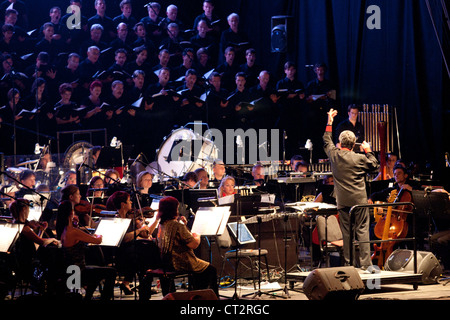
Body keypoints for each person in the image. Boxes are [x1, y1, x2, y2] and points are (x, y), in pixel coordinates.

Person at [324, 108, 379, 271]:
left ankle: (348, 264)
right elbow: (375, 165)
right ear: (354, 143)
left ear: (340, 143)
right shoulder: (360, 158)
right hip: (359, 201)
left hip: (343, 202)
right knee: (362, 231)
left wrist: (329, 122)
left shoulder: (334, 155)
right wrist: (368, 150)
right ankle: (365, 265)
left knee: (346, 233)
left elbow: (327, 140)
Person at [156, 196, 219, 296]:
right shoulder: (177, 225)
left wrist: (184, 226)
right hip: (181, 261)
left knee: (204, 268)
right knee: (210, 269)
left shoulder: (162, 224)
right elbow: (194, 244)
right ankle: (202, 296)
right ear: (173, 210)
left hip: (167, 262)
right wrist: (198, 235)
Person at [56, 199, 116, 300]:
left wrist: (75, 224)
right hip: (79, 271)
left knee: (97, 271)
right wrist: (99, 234)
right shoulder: (74, 232)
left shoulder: (64, 230)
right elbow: (97, 240)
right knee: (111, 272)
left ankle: (88, 297)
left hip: (71, 269)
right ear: (72, 212)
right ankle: (105, 299)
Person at [9, 199, 58, 284]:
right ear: (24, 209)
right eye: (28, 208)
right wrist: (53, 239)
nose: (29, 211)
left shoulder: (17, 224)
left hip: (27, 259)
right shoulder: (24, 228)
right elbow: (42, 242)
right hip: (25, 263)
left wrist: (41, 231)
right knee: (51, 260)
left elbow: (35, 246)